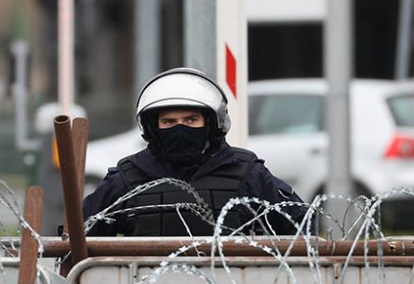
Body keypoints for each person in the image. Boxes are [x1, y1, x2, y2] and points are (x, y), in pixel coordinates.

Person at [82, 67, 305, 236]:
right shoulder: (127, 178)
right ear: (153, 128)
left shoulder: (247, 172)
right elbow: (80, 236)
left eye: (191, 119)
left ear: (210, 123)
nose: (181, 128)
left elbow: (301, 227)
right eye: (169, 122)